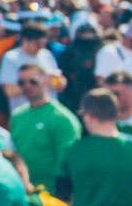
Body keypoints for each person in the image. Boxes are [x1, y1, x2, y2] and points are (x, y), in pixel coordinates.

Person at [7, 62, 80, 190]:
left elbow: (68, 163)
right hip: (23, 190)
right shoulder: (17, 116)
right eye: (22, 82)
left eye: (33, 82)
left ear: (46, 82)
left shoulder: (62, 118)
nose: (27, 86)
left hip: (51, 194)